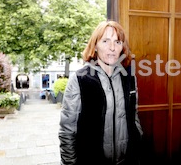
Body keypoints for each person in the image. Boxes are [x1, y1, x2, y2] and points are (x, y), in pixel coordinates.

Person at [58, 20, 143, 165]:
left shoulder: (129, 77)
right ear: (95, 46)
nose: (112, 48)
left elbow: (133, 118)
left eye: (117, 42)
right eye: (105, 41)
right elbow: (67, 131)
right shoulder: (80, 79)